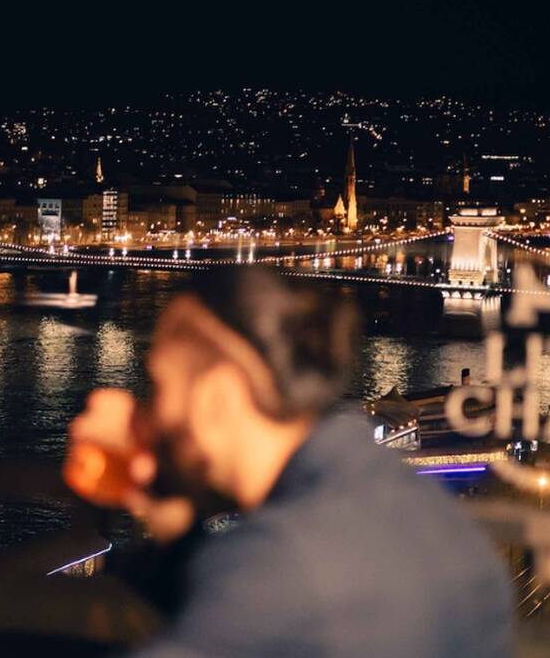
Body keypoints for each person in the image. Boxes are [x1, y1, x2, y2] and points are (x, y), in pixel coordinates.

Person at [70, 267, 512, 656]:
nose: (151, 412)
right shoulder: (402, 501)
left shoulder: (280, 564)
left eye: (160, 386)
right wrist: (162, 509)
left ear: (218, 398)